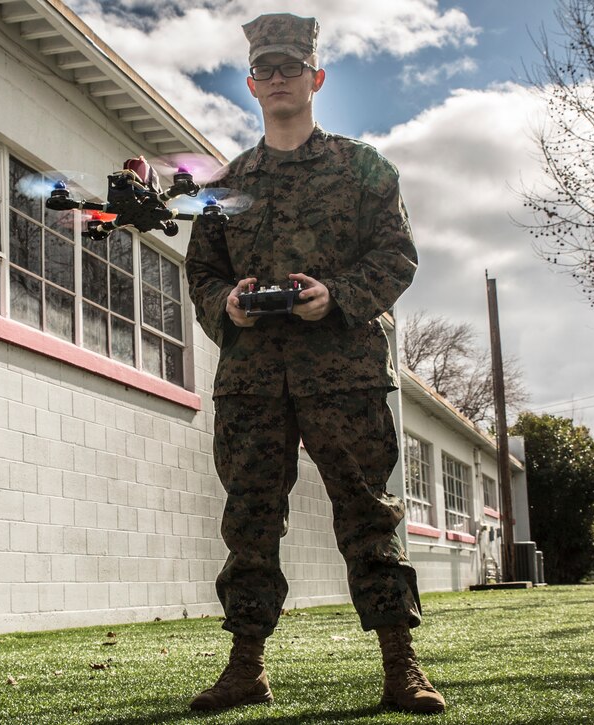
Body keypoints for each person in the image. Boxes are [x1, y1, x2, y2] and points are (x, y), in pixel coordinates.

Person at [184, 12, 445, 715]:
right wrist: (228, 306)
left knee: (368, 516)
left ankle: (402, 665)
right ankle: (246, 668)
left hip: (344, 372)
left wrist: (337, 296)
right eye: (264, 69)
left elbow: (397, 255)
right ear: (250, 84)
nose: (276, 79)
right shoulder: (227, 184)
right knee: (249, 521)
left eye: (289, 68)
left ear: (316, 77)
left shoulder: (363, 169)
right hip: (254, 382)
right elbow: (202, 273)